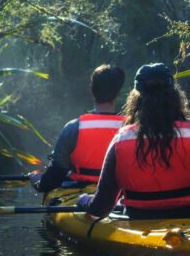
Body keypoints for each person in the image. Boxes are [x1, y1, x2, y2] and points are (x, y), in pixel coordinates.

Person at [76, 63, 190, 219]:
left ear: (136, 100)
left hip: (138, 219)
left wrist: (82, 200)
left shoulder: (120, 141)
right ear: (174, 96)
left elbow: (100, 208)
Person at [31, 64, 126, 192]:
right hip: (116, 194)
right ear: (118, 93)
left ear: (91, 89)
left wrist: (37, 181)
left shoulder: (73, 128)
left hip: (78, 192)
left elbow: (57, 172)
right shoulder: (130, 128)